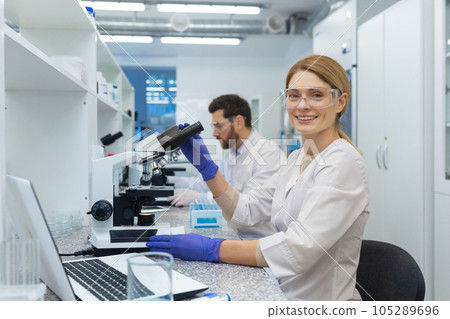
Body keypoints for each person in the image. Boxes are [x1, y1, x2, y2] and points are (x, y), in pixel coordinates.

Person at [147, 55, 370, 301]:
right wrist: (207, 169)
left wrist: (212, 249)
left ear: (340, 102)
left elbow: (296, 250)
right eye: (294, 95)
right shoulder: (297, 158)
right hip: (278, 290)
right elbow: (247, 211)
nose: (302, 105)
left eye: (316, 95)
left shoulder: (342, 161)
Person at [168, 95, 286, 238]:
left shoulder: (268, 153)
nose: (214, 133)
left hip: (262, 241)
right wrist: (167, 181)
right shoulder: (232, 151)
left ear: (239, 122)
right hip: (238, 234)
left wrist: (201, 198)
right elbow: (207, 184)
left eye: (219, 125)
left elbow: (249, 210)